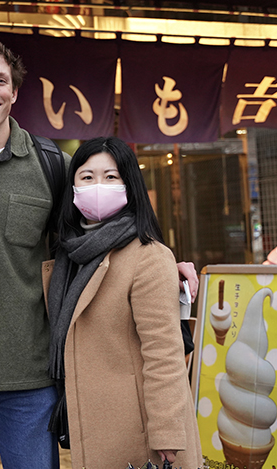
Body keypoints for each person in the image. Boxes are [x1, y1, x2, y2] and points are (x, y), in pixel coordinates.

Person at [0, 38, 199, 468]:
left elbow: (95, 230)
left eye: (1, 81)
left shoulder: (50, 163)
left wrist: (167, 259)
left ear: (15, 93)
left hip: (34, 379)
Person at [46, 137, 202, 468]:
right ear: (72, 187)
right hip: (90, 424)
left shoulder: (148, 256)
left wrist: (167, 433)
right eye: (87, 177)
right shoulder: (66, 258)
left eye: (111, 177)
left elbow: (163, 355)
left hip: (137, 432)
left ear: (129, 184)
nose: (98, 186)